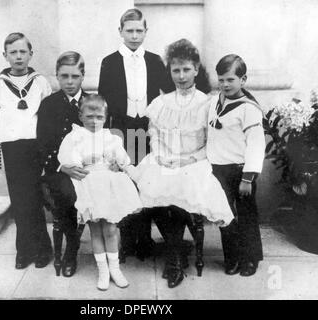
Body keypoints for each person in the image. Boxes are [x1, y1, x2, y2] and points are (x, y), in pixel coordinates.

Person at [130, 39, 234, 288]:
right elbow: (153, 133)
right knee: (153, 186)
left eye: (186, 69)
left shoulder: (208, 103)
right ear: (170, 71)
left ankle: (174, 257)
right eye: (176, 70)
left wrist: (189, 159)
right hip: (164, 159)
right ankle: (176, 254)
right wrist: (160, 155)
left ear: (196, 69)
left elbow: (213, 142)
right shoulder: (161, 103)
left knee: (181, 187)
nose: (181, 75)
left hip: (195, 162)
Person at [98, 8, 175, 262]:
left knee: (146, 180)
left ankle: (145, 239)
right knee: (125, 181)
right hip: (121, 129)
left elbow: (166, 98)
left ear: (146, 32)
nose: (133, 36)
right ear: (120, 31)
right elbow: (103, 104)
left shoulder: (154, 61)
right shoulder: (109, 62)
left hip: (148, 129)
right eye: (129, 31)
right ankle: (128, 240)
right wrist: (107, 138)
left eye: (138, 31)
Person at [58, 94, 142, 290]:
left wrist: (125, 169)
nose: (94, 121)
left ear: (105, 118)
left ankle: (115, 269)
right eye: (89, 116)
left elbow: (123, 160)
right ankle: (103, 271)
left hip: (110, 185)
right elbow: (69, 159)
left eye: (99, 117)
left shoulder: (110, 137)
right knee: (96, 229)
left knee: (111, 229)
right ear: (80, 116)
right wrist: (80, 162)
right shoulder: (75, 136)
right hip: (89, 184)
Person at [0, 32, 52, 269]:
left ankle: (43, 249)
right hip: (12, 146)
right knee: (19, 199)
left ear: (31, 54)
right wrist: (9, 134)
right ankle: (23, 251)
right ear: (5, 55)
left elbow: (46, 114)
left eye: (23, 51)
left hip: (35, 145)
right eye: (13, 52)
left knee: (35, 197)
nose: (18, 56)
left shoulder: (41, 82)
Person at [206, 54, 265, 277]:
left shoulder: (249, 108)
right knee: (224, 215)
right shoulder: (215, 101)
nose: (225, 84)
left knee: (246, 216)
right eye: (221, 79)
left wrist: (248, 178)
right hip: (218, 169)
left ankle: (250, 259)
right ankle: (231, 258)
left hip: (241, 171)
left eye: (230, 79)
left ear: (243, 79)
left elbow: (256, 145)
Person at [37, 51, 88, 277]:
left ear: (83, 76)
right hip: (58, 169)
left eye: (75, 76)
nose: (69, 82)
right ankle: (72, 251)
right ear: (57, 77)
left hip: (87, 167)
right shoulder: (48, 105)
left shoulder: (92, 102)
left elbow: (103, 136)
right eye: (64, 76)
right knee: (67, 194)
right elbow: (43, 146)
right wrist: (62, 167)